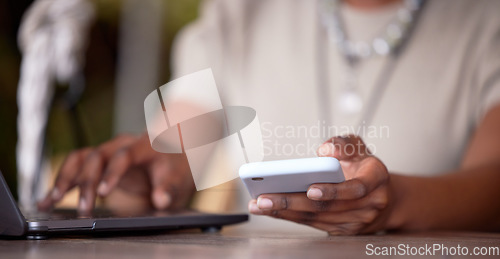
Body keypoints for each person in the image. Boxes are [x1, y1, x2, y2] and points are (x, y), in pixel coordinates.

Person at [39, 0, 500, 235]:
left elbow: (492, 182)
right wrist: (153, 169)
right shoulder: (244, 11)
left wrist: (393, 202)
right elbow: (183, 135)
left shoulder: (485, 21)